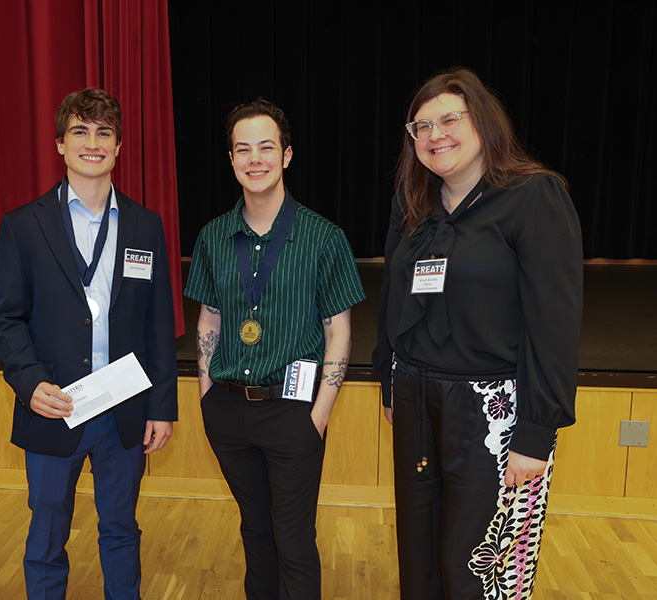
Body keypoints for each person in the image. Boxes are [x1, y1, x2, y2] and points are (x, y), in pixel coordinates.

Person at [372, 67, 583, 600]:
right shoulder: (412, 201)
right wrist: (389, 380)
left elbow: (554, 324)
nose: (435, 135)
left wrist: (536, 432)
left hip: (494, 413)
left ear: (483, 122)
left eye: (449, 120)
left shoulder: (534, 196)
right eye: (422, 126)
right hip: (416, 397)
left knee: (476, 570)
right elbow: (393, 297)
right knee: (419, 558)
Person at [0, 87, 177, 600]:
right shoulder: (22, 226)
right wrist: (30, 384)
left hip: (124, 410)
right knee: (47, 535)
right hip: (54, 407)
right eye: (80, 131)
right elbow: (7, 322)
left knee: (121, 529)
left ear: (118, 147)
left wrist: (162, 407)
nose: (92, 143)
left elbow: (159, 324)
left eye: (103, 133)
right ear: (60, 144)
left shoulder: (146, 225)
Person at [184, 98, 365, 600]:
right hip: (227, 410)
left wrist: (319, 416)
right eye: (243, 150)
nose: (255, 159)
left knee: (294, 541)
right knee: (255, 533)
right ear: (231, 160)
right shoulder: (213, 237)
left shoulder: (324, 237)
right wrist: (206, 394)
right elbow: (210, 318)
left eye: (266, 147)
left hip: (294, 411)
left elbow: (339, 333)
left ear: (286, 155)